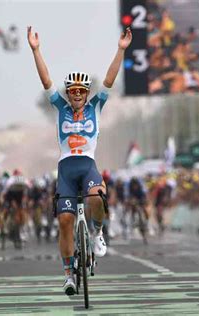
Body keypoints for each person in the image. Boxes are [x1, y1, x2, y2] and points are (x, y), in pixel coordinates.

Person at [27, 25, 132, 295]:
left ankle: (97, 232)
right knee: (64, 221)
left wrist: (120, 50)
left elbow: (109, 79)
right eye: (72, 91)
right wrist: (36, 50)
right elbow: (46, 80)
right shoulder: (60, 107)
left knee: (98, 195)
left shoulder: (96, 105)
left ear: (86, 93)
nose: (75, 95)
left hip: (87, 166)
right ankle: (68, 274)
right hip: (65, 169)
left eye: (80, 91)